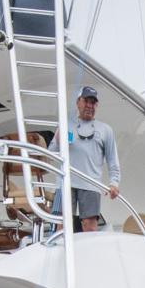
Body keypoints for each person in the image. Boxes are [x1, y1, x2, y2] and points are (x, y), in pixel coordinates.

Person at [48, 85, 120, 232]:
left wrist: (114, 183)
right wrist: (57, 137)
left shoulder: (105, 130)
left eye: (93, 102)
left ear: (97, 105)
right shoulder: (66, 125)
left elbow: (112, 159)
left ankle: (89, 254)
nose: (89, 105)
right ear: (78, 102)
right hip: (65, 182)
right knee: (62, 226)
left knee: (90, 226)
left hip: (91, 184)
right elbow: (52, 152)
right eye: (86, 100)